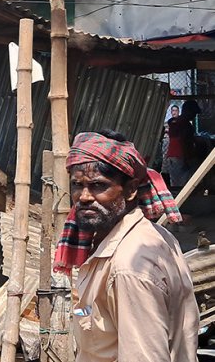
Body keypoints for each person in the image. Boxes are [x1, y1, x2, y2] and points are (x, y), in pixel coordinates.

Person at [54, 130, 197, 362]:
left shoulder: (128, 267)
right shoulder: (146, 237)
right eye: (77, 185)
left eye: (98, 185)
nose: (84, 196)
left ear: (131, 189)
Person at [164, 103, 194, 187]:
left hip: (172, 154)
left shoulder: (173, 122)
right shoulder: (184, 124)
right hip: (179, 154)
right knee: (182, 183)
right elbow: (184, 140)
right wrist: (187, 157)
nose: (194, 116)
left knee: (174, 181)